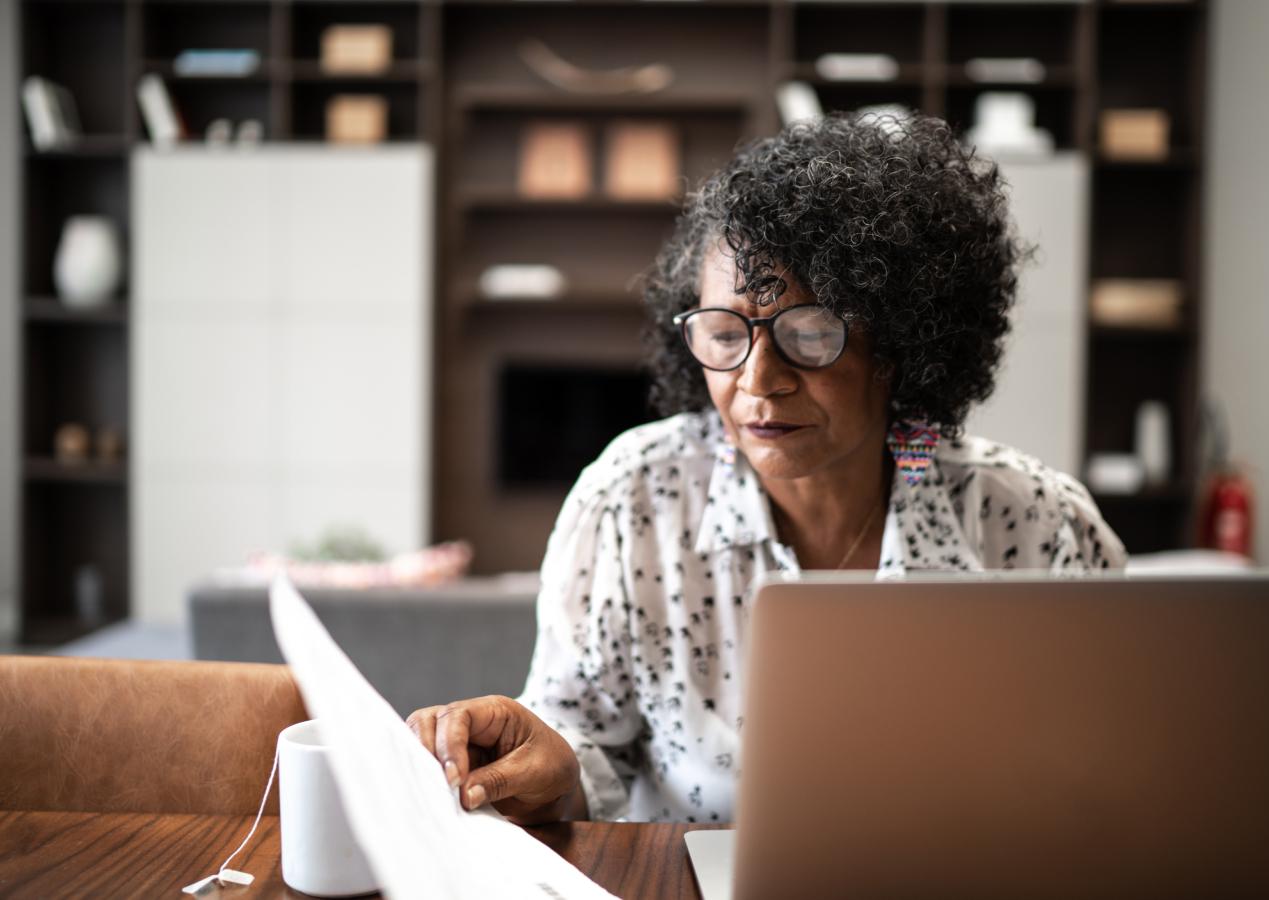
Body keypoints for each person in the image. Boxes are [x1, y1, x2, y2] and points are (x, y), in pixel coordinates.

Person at [407, 112, 1127, 825]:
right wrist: (544, 769)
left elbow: (1105, 776)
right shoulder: (633, 500)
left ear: (900, 344)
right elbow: (583, 754)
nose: (757, 380)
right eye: (725, 334)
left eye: (809, 335)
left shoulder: (1035, 525)